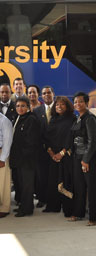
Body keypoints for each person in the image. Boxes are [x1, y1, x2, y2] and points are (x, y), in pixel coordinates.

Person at [43, 96, 75, 215]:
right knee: (52, 180)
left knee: (66, 181)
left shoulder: (71, 119)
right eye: (57, 105)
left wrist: (61, 153)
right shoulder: (53, 119)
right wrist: (51, 152)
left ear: (67, 106)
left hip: (66, 155)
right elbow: (47, 137)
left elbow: (70, 138)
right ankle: (53, 206)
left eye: (62, 104)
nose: (59, 107)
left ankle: (68, 209)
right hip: (53, 156)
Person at [10, 97, 40, 217]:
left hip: (27, 159)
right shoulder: (18, 118)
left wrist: (23, 154)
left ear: (28, 107)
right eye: (18, 106)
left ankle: (27, 209)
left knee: (27, 185)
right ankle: (23, 205)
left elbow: (32, 141)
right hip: (18, 159)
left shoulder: (31, 119)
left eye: (23, 106)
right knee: (21, 184)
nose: (20, 108)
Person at [70, 92, 96, 226]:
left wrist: (86, 160)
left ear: (86, 103)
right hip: (77, 157)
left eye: (80, 101)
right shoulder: (78, 118)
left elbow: (92, 141)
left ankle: (93, 218)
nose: (77, 104)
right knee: (79, 187)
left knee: (91, 188)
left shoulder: (90, 118)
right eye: (75, 102)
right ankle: (78, 213)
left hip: (88, 159)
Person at [33, 86, 55, 208]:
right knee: (42, 176)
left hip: (57, 149)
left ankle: (55, 198)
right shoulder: (37, 111)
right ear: (41, 96)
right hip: (42, 149)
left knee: (55, 175)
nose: (46, 95)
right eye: (44, 93)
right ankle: (42, 199)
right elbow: (36, 131)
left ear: (53, 94)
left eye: (49, 93)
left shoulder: (59, 108)